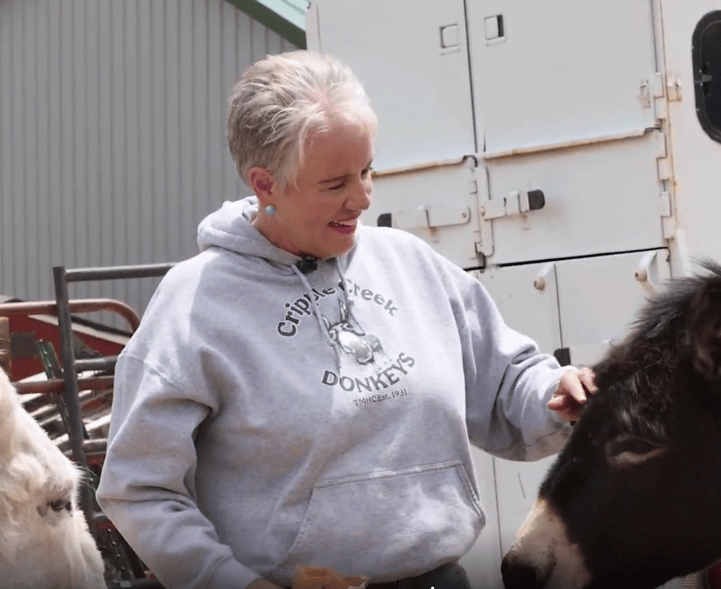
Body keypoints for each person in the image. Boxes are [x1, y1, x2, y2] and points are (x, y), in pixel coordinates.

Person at [96, 50, 596, 589]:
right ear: (264, 184)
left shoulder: (410, 263)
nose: (360, 198)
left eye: (367, 171)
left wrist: (556, 394)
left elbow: (506, 381)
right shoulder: (196, 304)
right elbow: (140, 489)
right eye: (334, 184)